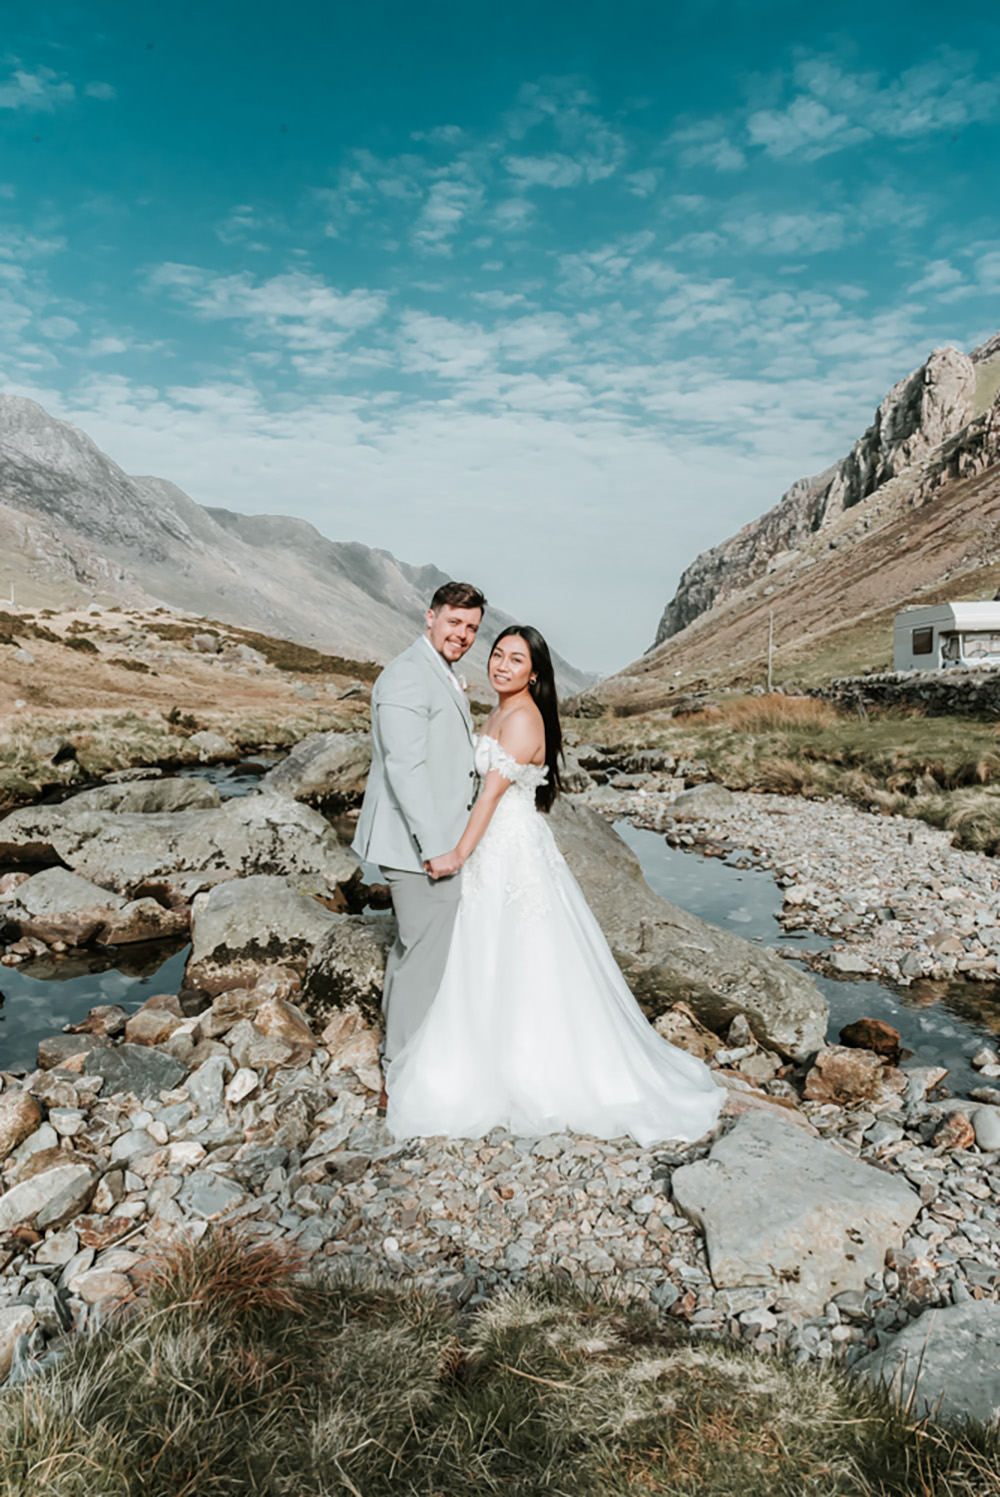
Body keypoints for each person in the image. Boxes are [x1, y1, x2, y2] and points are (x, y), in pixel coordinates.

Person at [385, 624, 724, 1147]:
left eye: (515, 660)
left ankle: (526, 1066)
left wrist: (456, 853)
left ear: (535, 673)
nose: (501, 665)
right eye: (497, 655)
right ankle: (480, 1050)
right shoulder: (500, 709)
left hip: (505, 846)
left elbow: (490, 799)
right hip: (492, 843)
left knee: (522, 949)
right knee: (482, 948)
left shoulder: (522, 718)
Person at [352, 581, 486, 1098]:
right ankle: (402, 1071)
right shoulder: (408, 675)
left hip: (434, 837)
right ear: (430, 617)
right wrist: (436, 848)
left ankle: (406, 1054)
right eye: (455, 623)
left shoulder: (441, 671)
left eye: (472, 628)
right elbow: (406, 768)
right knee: (423, 954)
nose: (463, 635)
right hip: (417, 846)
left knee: (416, 951)